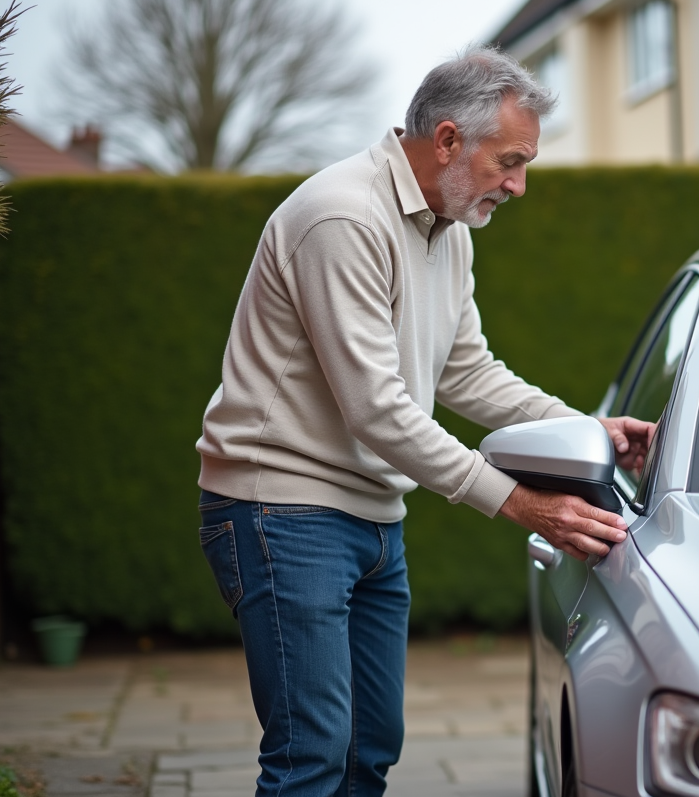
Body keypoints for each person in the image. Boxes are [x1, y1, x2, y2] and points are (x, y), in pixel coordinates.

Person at [194, 46, 653, 797]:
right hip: (280, 510)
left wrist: (588, 429)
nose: (519, 184)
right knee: (310, 755)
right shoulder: (340, 217)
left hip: (374, 518)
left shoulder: (451, 229)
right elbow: (377, 408)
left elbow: (465, 372)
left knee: (370, 746)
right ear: (446, 141)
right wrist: (519, 501)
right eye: (509, 161)